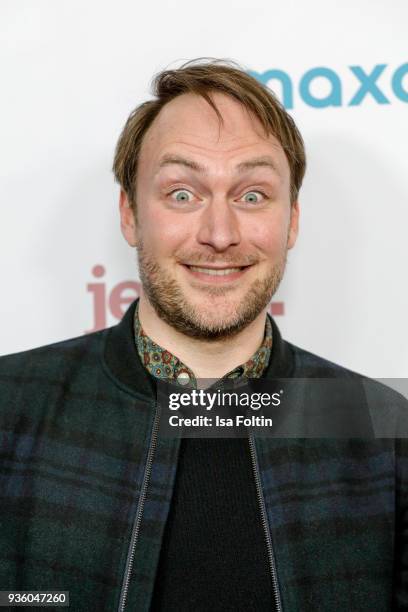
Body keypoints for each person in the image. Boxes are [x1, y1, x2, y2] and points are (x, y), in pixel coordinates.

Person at [0, 59, 406, 611]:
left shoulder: (385, 433)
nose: (219, 235)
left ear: (291, 221)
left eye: (253, 195)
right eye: (183, 194)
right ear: (129, 214)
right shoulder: (10, 407)